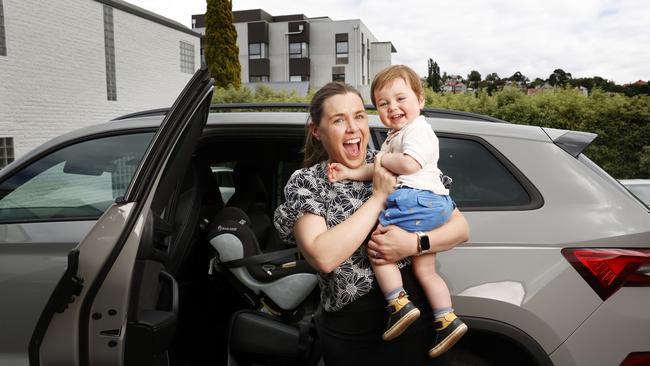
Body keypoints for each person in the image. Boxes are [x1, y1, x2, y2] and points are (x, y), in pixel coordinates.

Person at [274, 81, 469, 365]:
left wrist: (414, 243)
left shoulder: (394, 161)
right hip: (353, 331)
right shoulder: (308, 182)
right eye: (339, 120)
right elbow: (323, 257)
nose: (353, 127)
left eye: (359, 116)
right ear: (317, 130)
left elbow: (460, 228)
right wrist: (378, 197)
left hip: (416, 316)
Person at [326, 65, 467, 358]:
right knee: (425, 269)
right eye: (383, 103)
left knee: (379, 247)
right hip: (431, 204)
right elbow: (378, 168)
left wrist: (381, 158)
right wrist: (350, 173)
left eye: (401, 98)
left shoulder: (418, 131)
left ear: (421, 100)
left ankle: (398, 303)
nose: (393, 107)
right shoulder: (397, 135)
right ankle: (447, 318)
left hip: (414, 200)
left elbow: (407, 165)